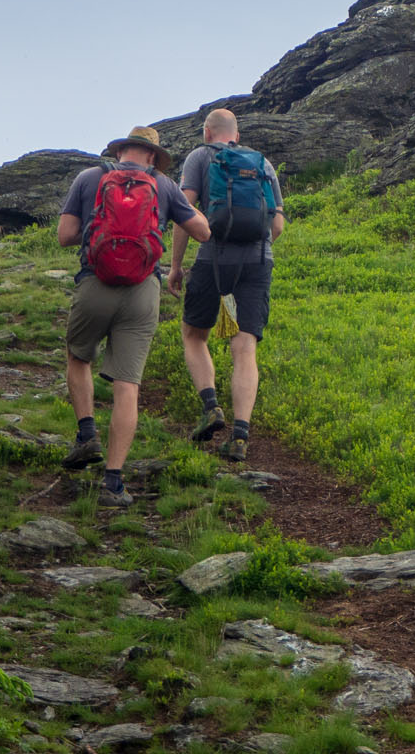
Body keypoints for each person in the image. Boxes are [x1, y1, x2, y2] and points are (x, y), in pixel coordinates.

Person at [56, 126, 210, 506]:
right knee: (128, 385)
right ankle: (113, 481)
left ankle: (86, 433)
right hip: (143, 289)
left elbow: (64, 234)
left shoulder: (89, 177)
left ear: (122, 150)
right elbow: (203, 232)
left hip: (94, 283)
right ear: (153, 156)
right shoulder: (166, 186)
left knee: (79, 357)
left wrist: (101, 233)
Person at [168, 108, 286, 463]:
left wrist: (176, 266)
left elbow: (184, 213)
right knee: (244, 347)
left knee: (194, 334)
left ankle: (211, 406)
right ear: (237, 133)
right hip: (257, 261)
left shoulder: (200, 157)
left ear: (208, 132)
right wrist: (256, 249)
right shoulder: (262, 163)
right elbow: (277, 225)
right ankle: (240, 436)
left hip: (213, 260)